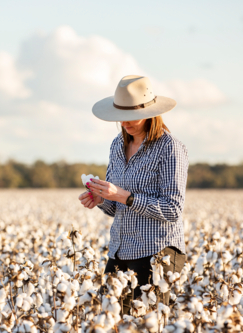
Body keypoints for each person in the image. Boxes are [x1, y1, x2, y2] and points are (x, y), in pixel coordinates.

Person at [78, 75, 188, 311]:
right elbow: (115, 206)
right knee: (106, 319)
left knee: (147, 322)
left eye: (131, 117)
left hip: (157, 254)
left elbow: (173, 209)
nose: (125, 123)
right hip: (120, 250)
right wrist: (100, 198)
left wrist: (125, 196)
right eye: (121, 117)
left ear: (150, 113)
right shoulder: (117, 145)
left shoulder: (170, 148)